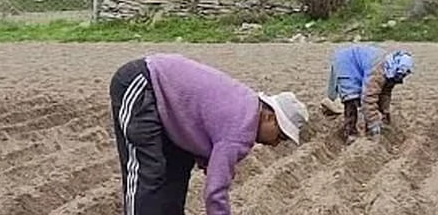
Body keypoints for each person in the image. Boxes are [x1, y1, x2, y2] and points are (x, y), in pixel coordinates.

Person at [109, 53, 308, 215]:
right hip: (143, 82)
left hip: (169, 106)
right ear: (270, 117)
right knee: (148, 172)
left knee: (176, 173)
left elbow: (204, 124)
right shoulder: (241, 129)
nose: (276, 144)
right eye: (280, 136)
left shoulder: (246, 106)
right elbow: (215, 193)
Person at [323, 44, 413, 141]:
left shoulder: (390, 71)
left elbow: (385, 93)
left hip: (357, 62)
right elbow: (368, 99)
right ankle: (350, 133)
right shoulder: (378, 72)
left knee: (367, 102)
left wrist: (385, 112)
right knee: (351, 98)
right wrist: (374, 124)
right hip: (347, 64)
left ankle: (368, 130)